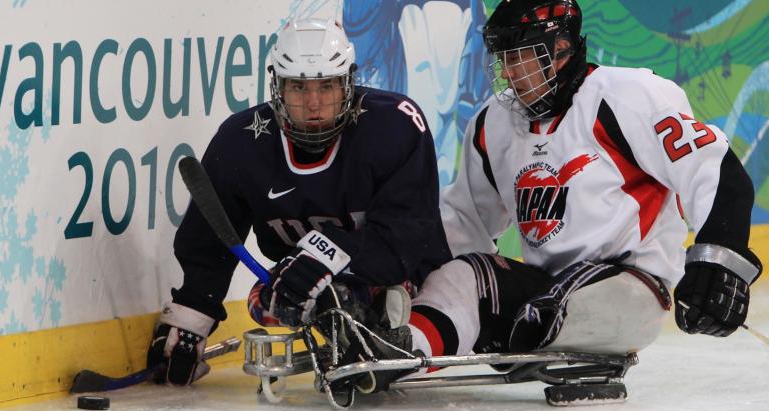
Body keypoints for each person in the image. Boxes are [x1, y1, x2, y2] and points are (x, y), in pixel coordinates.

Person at [344, 0, 762, 390]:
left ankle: (532, 328)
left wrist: (719, 261)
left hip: (632, 288)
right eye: (503, 59)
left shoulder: (625, 96)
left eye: (519, 56)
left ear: (559, 50)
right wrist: (403, 279)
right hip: (547, 294)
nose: (507, 73)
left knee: (548, 309)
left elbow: (713, 167)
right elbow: (463, 223)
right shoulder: (494, 122)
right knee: (463, 276)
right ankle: (398, 354)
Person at [146, 17, 451, 386]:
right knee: (266, 298)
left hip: (407, 280)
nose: (314, 104)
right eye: (298, 87)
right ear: (277, 86)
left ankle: (378, 315)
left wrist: (323, 253)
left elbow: (406, 238)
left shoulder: (394, 126)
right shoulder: (240, 142)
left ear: (348, 83)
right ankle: (337, 309)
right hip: (308, 288)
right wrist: (192, 318)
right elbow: (208, 243)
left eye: (327, 86)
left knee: (377, 292)